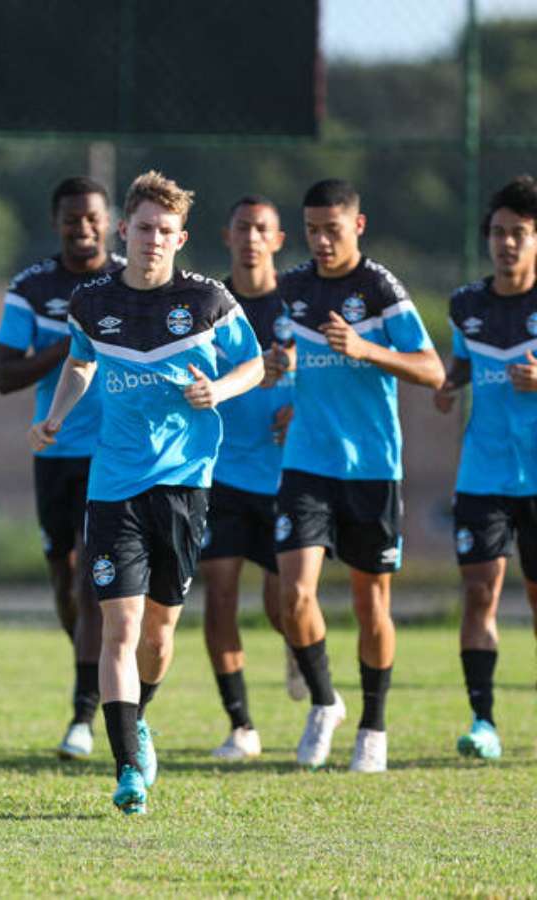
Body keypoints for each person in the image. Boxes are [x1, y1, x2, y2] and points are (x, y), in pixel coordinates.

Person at [30, 170, 263, 815]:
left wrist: (220, 390)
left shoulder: (211, 301)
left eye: (165, 231)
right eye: (142, 228)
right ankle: (129, 765)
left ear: (180, 237)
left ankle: (140, 720)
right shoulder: (92, 301)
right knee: (120, 627)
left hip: (185, 485)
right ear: (121, 231)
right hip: (114, 487)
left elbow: (255, 363)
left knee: (159, 637)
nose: (153, 240)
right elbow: (79, 361)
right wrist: (56, 414)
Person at [272, 179, 444, 773]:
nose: (321, 241)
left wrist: (368, 351)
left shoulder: (380, 289)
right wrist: (283, 373)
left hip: (371, 466)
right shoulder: (291, 287)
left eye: (333, 230)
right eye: (312, 229)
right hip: (306, 461)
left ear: (358, 226)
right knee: (293, 596)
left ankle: (373, 726)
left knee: (372, 605)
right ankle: (325, 701)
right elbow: (291, 356)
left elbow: (432, 369)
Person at [0, 176, 125, 760]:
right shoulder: (31, 288)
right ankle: (95, 671)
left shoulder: (130, 281)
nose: (84, 228)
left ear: (110, 219)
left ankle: (83, 713)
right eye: (73, 219)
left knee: (91, 582)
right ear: (57, 222)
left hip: (115, 453)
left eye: (93, 217)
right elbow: (4, 375)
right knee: (63, 577)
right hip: (55, 451)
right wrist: (75, 345)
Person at [435, 174, 537, 760]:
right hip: (483, 474)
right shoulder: (466, 304)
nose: (506, 244)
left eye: (519, 233)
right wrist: (452, 382)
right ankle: (483, 722)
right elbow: (464, 361)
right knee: (480, 593)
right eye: (498, 232)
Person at [199, 196, 303, 761]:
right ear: (227, 235)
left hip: (286, 473)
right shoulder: (207, 301)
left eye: (262, 229)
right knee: (219, 595)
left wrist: (301, 403)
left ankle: (297, 645)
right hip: (221, 471)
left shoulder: (300, 300)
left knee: (283, 602)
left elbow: (336, 371)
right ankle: (241, 725)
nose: (252, 238)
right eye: (242, 228)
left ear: (279, 239)